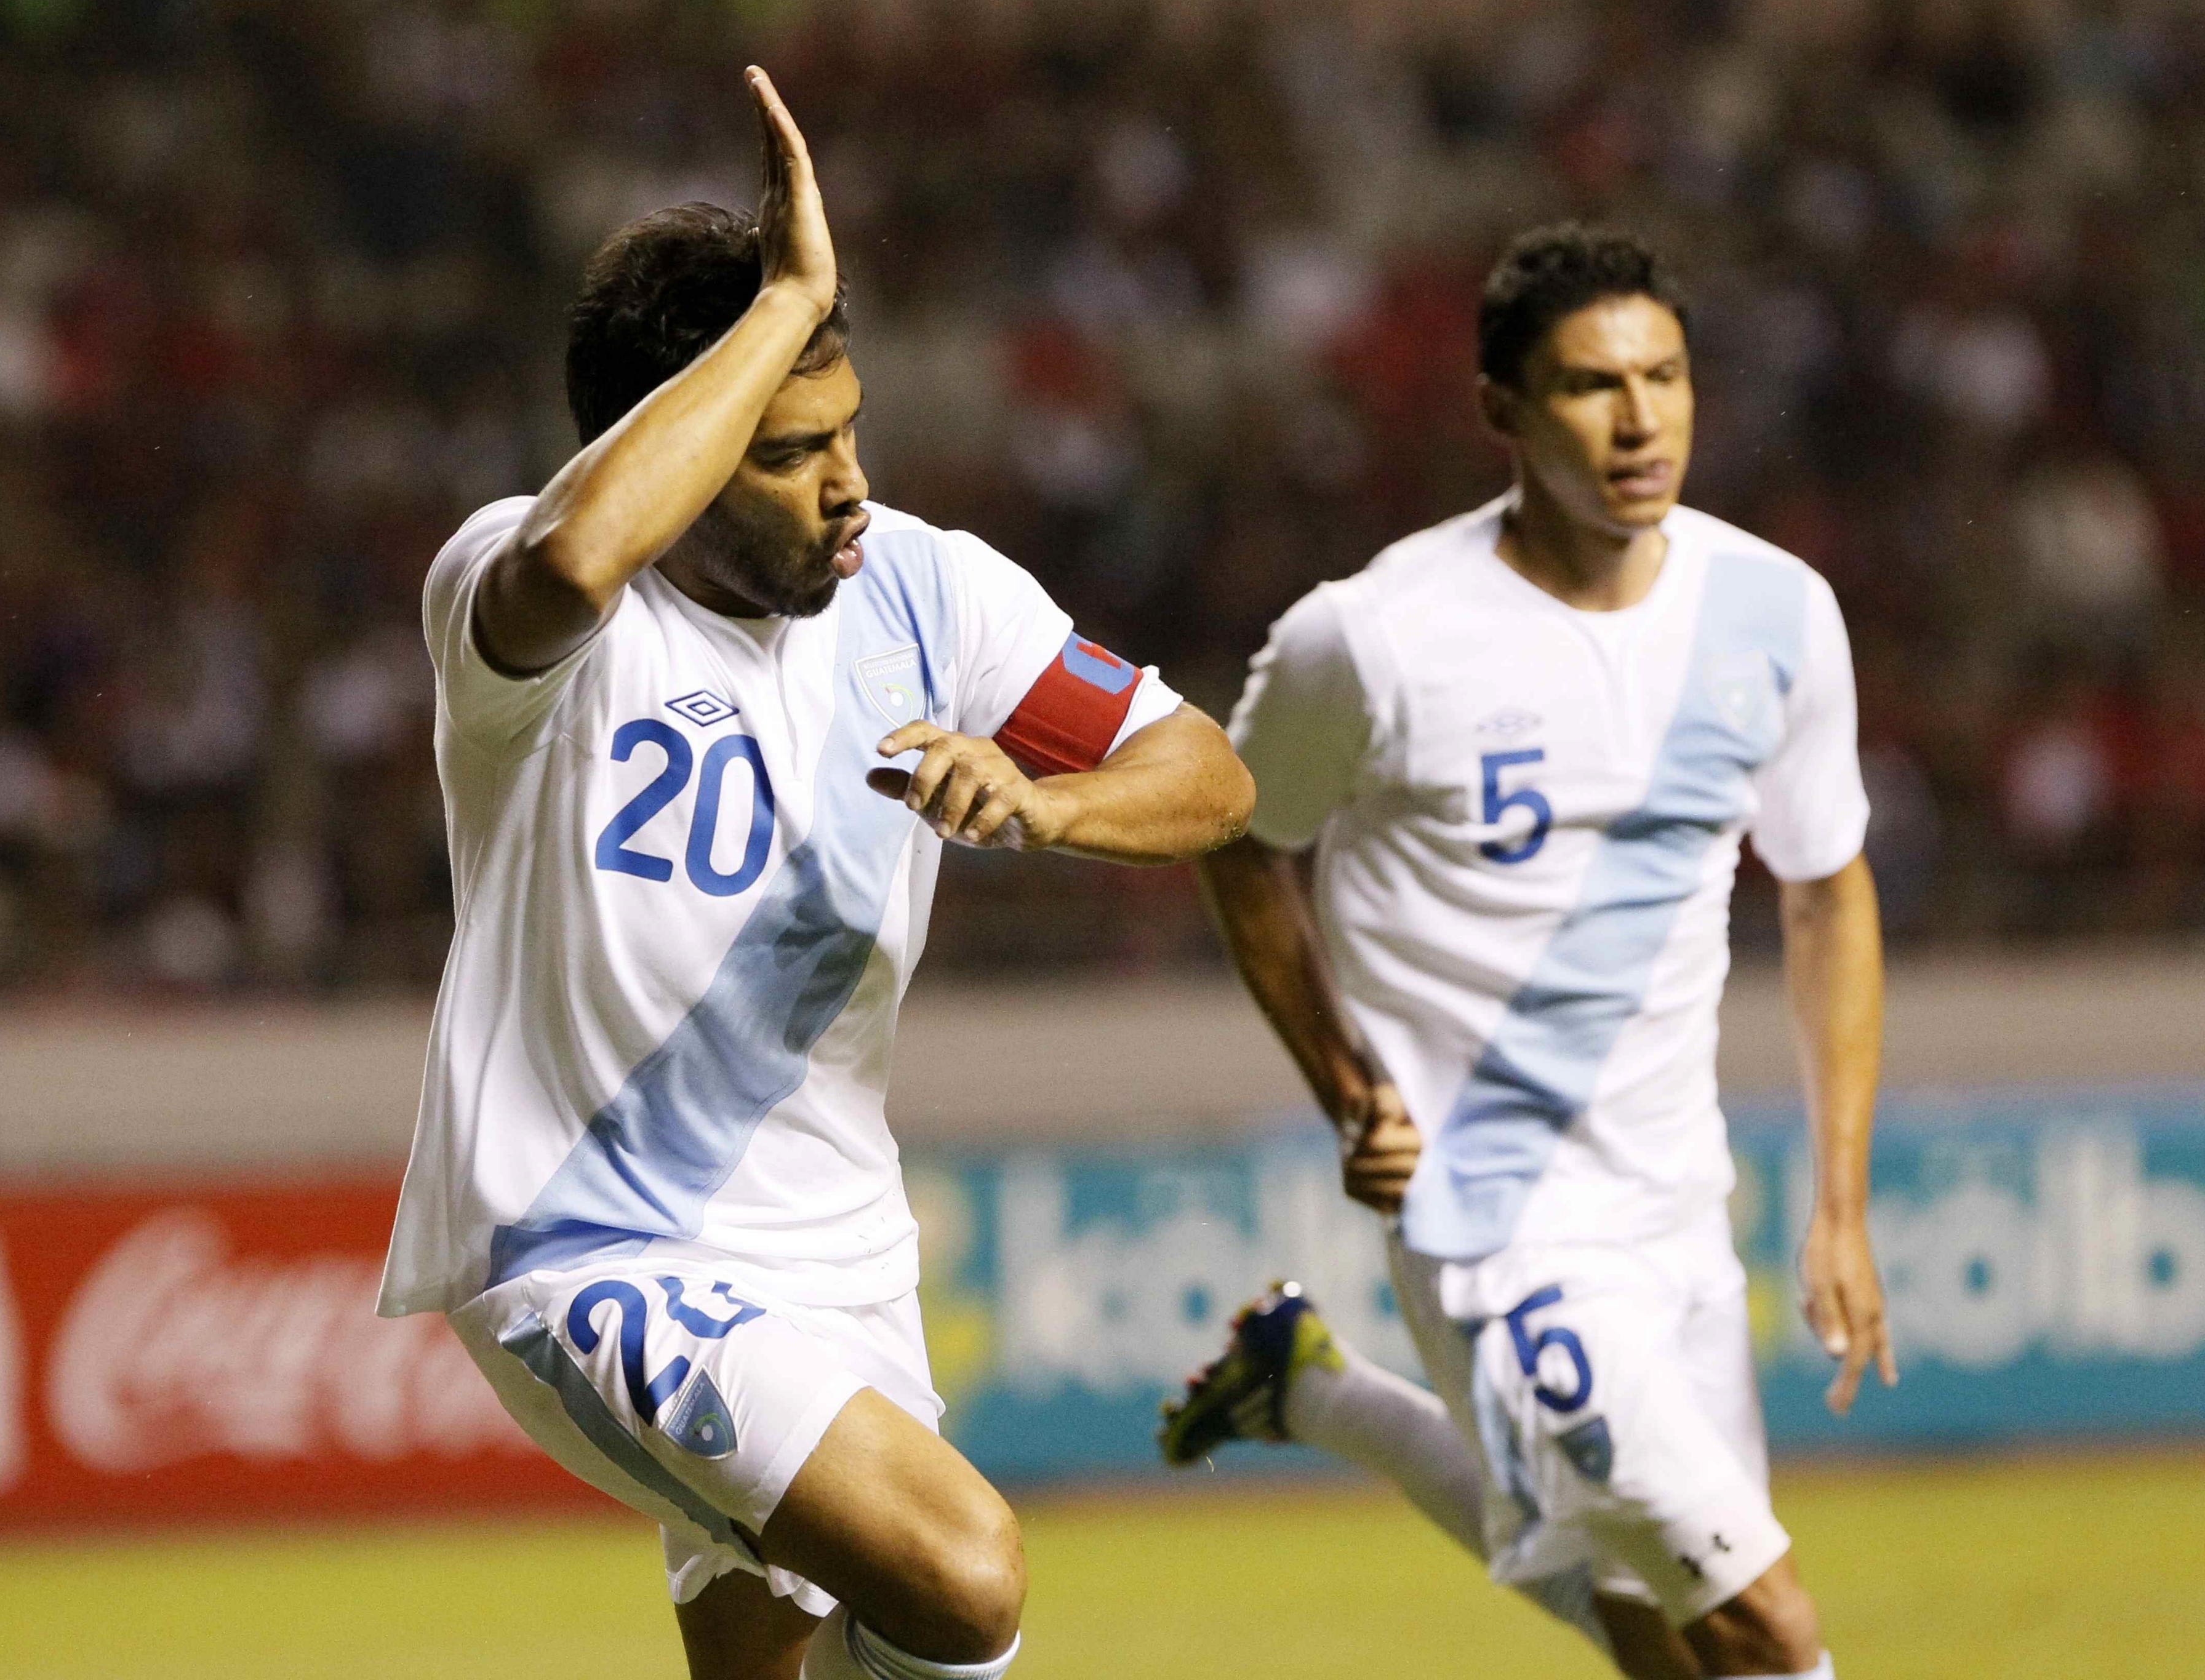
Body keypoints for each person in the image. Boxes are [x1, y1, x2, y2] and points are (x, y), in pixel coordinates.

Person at [378, 68, 1252, 1680]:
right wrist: (787, 292)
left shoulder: (925, 589)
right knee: (967, 1572)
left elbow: (1210, 769)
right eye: (786, 449)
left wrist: (1052, 809)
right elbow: (582, 551)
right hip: (592, 1249)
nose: (848, 481)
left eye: (849, 429)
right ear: (681, 450)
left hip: (837, 1258)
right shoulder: (529, 602)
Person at [1158, 225, 1893, 1680]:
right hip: (1487, 1213)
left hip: (1676, 1206)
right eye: (1587, 386)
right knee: (1765, 1628)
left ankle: (1317, 1393)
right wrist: (1347, 1089)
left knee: (1666, 1645)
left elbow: (1823, 888)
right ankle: (1324, 1395)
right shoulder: (1371, 641)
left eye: (1663, 377)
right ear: (1500, 411)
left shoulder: (1772, 616)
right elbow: (1238, 839)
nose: (1637, 420)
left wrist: (1839, 1200)